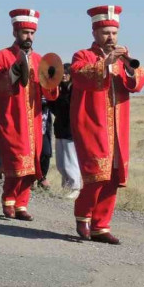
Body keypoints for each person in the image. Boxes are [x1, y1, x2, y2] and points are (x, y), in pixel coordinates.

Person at [70, 5, 144, 244]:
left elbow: (139, 80)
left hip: (118, 127)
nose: (111, 37)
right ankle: (83, 215)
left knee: (113, 176)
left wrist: (129, 70)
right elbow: (79, 75)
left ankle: (101, 226)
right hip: (92, 125)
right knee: (96, 176)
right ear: (94, 33)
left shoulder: (124, 56)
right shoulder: (83, 55)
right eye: (105, 32)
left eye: (114, 32)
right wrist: (105, 64)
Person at [0, 9, 59, 221]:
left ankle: (22, 205)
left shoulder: (40, 60)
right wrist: (14, 71)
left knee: (32, 164)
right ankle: (8, 200)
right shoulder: (1, 56)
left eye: (31, 33)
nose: (28, 37)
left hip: (35, 120)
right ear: (15, 32)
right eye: (24, 33)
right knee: (16, 162)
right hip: (12, 118)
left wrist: (54, 81)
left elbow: (50, 93)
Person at [48, 63, 81, 199]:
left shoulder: (75, 90)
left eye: (67, 73)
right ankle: (66, 186)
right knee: (61, 163)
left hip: (71, 130)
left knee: (70, 160)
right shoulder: (59, 89)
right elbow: (54, 108)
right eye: (62, 73)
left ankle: (75, 187)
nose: (64, 75)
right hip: (60, 129)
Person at [36, 97, 54, 189]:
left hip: (43, 128)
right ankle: (29, 179)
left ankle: (42, 178)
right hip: (32, 128)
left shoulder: (48, 89)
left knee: (46, 153)